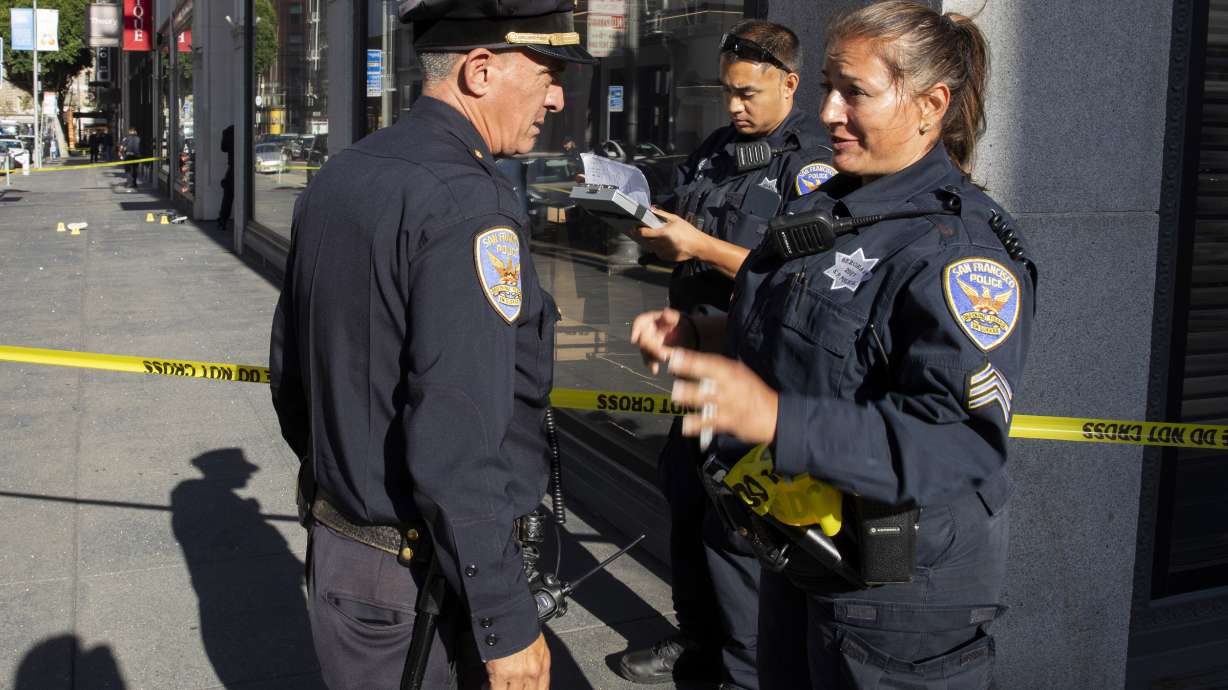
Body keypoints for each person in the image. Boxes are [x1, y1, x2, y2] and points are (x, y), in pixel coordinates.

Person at [631, 2, 1037, 688]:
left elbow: (960, 443)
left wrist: (778, 421)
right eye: (826, 86)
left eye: (855, 92)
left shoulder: (962, 256)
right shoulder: (839, 208)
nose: (827, 112)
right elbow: (820, 335)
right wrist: (707, 335)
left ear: (930, 105)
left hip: (897, 603)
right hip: (807, 554)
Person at [269, 0, 594, 687]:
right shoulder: (471, 205)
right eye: (547, 72)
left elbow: (290, 375)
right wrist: (504, 618)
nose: (557, 97)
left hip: (342, 552)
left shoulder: (343, 172)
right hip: (418, 583)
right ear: (480, 71)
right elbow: (459, 434)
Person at [616, 20, 833, 690]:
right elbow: (683, 221)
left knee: (741, 542)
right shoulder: (715, 151)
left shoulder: (812, 166)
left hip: (759, 389)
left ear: (790, 83)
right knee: (687, 508)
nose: (734, 106)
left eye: (747, 93)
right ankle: (696, 645)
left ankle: (747, 670)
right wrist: (653, 230)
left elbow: (803, 282)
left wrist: (702, 249)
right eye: (726, 91)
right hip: (698, 371)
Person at [217, 125, 234, 231]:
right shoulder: (245, 128)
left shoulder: (229, 130)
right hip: (242, 167)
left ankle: (223, 220)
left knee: (228, 196)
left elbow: (223, 148)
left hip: (232, 167)